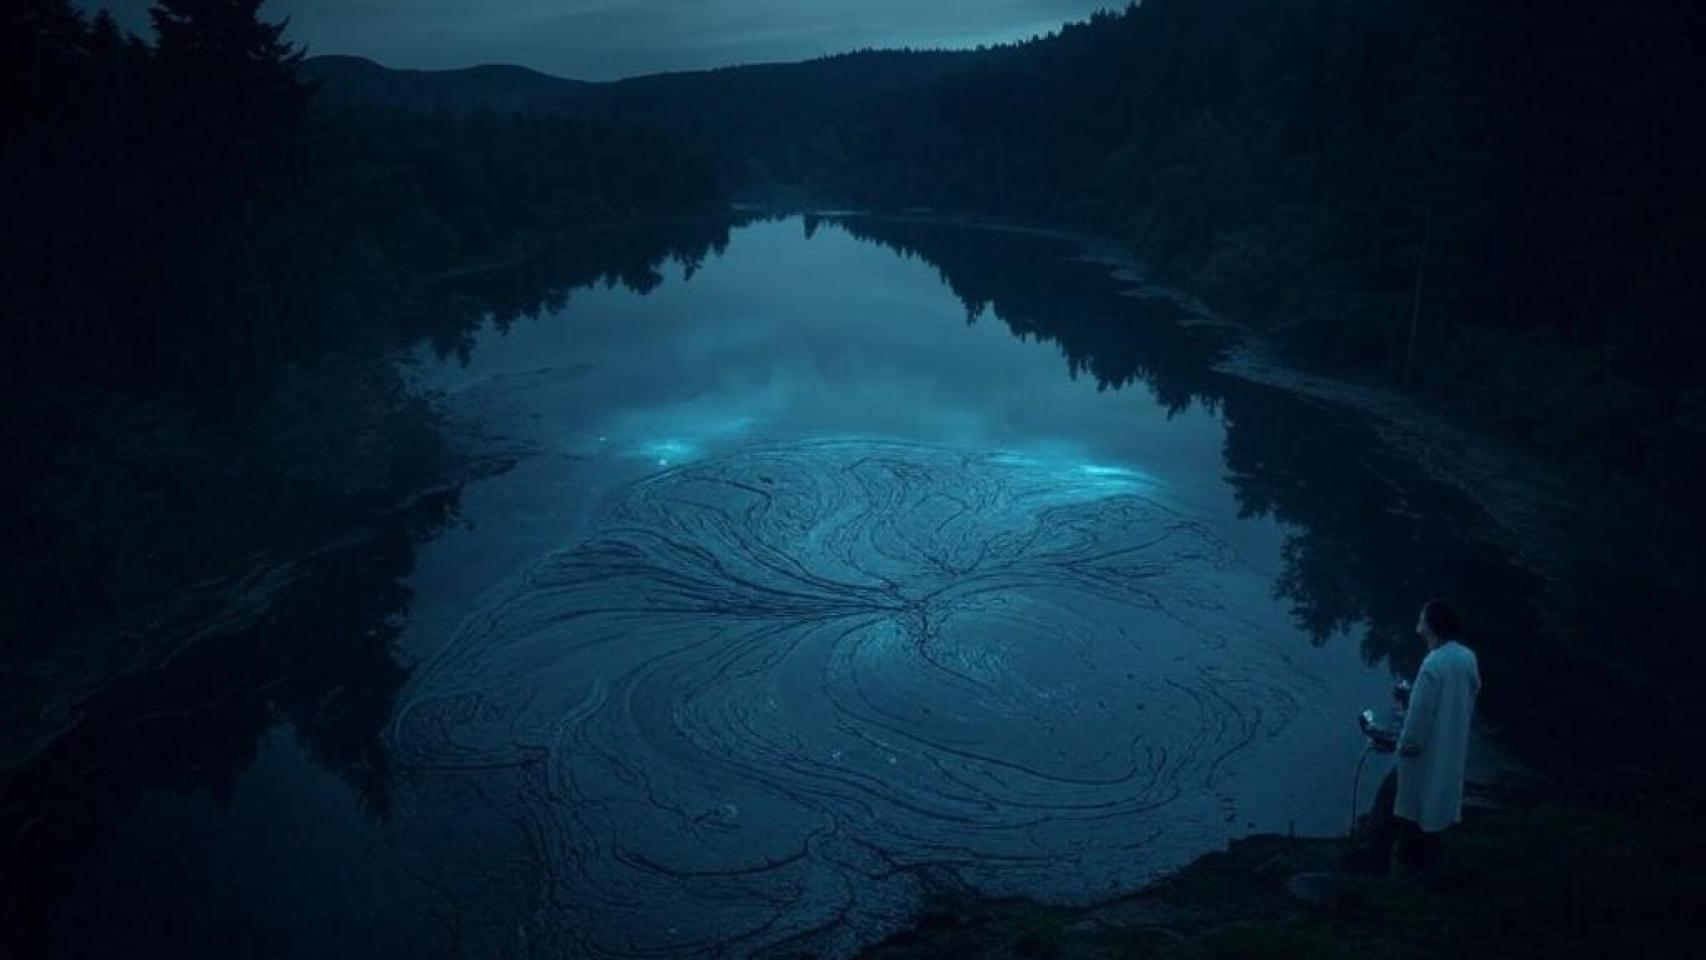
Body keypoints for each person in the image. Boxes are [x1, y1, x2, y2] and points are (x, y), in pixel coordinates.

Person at [1353, 598, 1481, 872]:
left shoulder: (1432, 664)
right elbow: (1466, 695)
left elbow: (1421, 714)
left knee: (1390, 804)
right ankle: (1419, 864)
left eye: (1422, 618)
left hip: (1422, 755)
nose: (1418, 624)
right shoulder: (1467, 658)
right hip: (1451, 747)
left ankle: (1374, 862)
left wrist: (1405, 745)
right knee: (1432, 807)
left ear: (1431, 625)